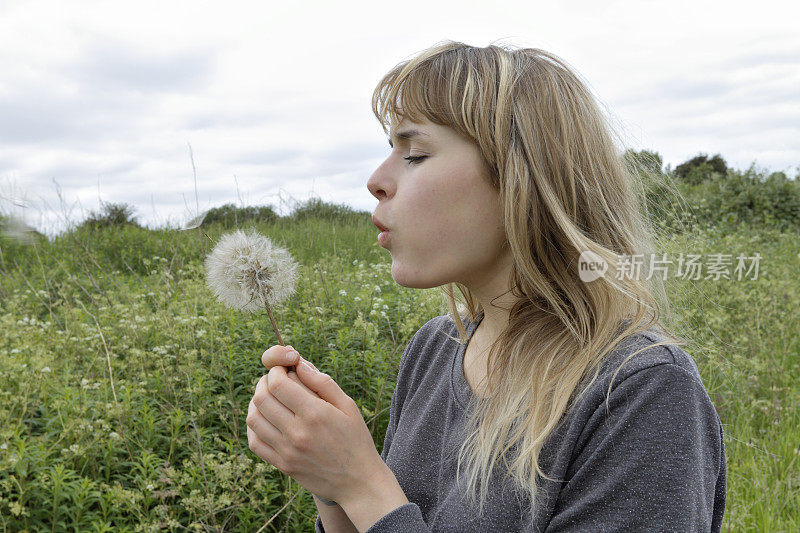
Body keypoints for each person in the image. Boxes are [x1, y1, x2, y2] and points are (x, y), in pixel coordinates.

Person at [247, 40, 726, 532]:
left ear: (522, 175)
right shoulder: (434, 349)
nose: (376, 180)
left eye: (414, 153)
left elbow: (381, 508)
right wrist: (329, 481)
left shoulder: (640, 389)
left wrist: (363, 485)